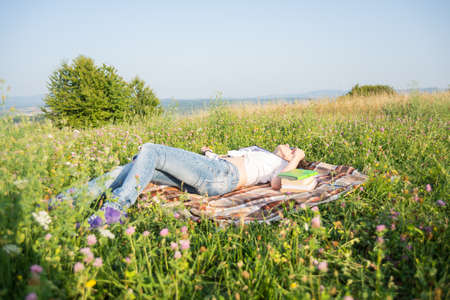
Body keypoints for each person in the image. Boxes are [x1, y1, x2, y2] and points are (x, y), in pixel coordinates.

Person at [51, 143, 305, 228]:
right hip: (210, 174)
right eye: (288, 147)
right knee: (127, 169)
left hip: (220, 176)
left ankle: (116, 208)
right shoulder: (258, 150)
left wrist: (296, 158)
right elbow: (216, 161)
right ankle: (63, 202)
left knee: (150, 150)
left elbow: (277, 184)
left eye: (291, 148)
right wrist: (208, 153)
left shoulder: (280, 164)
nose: (287, 147)